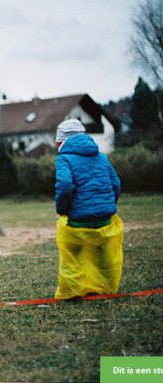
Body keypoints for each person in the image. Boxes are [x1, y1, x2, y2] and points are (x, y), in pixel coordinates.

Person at [54, 119, 124, 299]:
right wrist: (108, 205)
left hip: (78, 219)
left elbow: (64, 186)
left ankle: (72, 291)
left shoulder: (63, 158)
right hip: (105, 218)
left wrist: (62, 209)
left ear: (60, 142)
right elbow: (116, 183)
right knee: (102, 254)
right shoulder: (101, 156)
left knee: (73, 254)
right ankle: (105, 287)